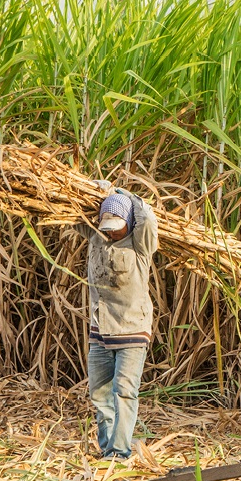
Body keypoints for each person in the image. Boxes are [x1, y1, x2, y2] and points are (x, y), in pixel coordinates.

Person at [72, 184, 159, 460]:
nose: (111, 232)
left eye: (117, 227)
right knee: (99, 393)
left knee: (124, 392)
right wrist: (94, 193)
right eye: (107, 226)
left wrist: (125, 195)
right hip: (100, 330)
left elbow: (148, 218)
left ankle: (120, 452)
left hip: (132, 330)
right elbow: (73, 213)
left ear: (129, 223)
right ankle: (107, 447)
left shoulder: (140, 245)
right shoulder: (97, 237)